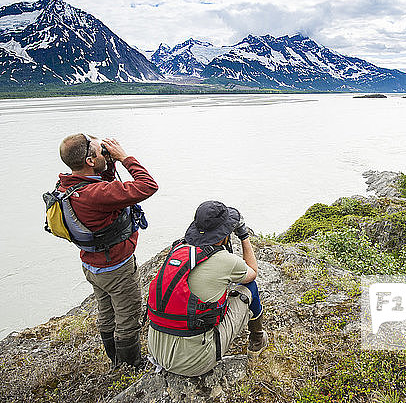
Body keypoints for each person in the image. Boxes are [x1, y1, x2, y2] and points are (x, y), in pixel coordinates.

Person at [56, 133, 158, 367]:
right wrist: (125, 158)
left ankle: (113, 359)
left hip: (92, 265)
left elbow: (106, 190)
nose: (105, 151)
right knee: (127, 317)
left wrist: (107, 165)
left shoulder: (69, 184)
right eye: (99, 150)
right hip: (116, 268)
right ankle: (130, 366)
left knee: (106, 312)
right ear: (90, 161)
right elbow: (148, 185)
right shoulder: (97, 195)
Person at [147, 200, 268, 377]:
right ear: (224, 233)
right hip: (194, 363)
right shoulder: (227, 261)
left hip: (157, 351)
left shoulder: (178, 249)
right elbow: (253, 272)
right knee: (250, 287)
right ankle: (257, 341)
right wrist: (244, 236)